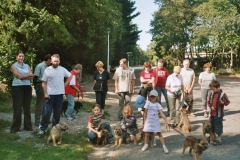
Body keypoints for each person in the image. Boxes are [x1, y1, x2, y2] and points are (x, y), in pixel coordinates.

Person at [37, 54, 72, 137]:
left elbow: (70, 75)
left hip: (59, 95)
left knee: (57, 113)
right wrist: (45, 93)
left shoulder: (62, 69)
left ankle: (55, 129)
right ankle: (42, 129)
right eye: (54, 61)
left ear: (59, 61)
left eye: (57, 61)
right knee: (46, 113)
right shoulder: (47, 70)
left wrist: (65, 84)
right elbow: (43, 82)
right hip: (50, 95)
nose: (56, 62)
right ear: (51, 61)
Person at [10, 50, 34, 133]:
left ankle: (28, 126)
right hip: (17, 88)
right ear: (16, 57)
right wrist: (26, 76)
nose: (21, 57)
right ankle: (15, 128)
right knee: (18, 108)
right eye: (19, 56)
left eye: (22, 56)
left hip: (27, 88)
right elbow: (18, 76)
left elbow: (32, 76)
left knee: (27, 108)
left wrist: (23, 76)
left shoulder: (27, 65)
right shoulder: (13, 66)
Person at [207, 80, 230, 146]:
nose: (213, 90)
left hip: (218, 114)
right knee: (212, 126)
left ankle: (219, 138)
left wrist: (223, 103)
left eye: (214, 89)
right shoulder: (211, 93)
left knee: (218, 126)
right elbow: (208, 101)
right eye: (212, 89)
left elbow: (227, 102)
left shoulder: (223, 94)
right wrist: (211, 106)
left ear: (218, 87)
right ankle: (213, 137)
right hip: (212, 114)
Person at [33, 54, 52, 126]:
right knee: (40, 103)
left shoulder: (49, 67)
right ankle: (37, 120)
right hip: (40, 84)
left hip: (47, 85)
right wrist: (35, 85)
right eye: (51, 60)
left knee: (46, 102)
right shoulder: (40, 66)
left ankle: (45, 119)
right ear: (48, 60)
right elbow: (35, 76)